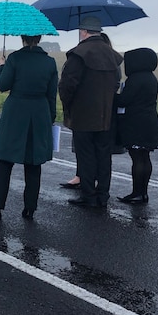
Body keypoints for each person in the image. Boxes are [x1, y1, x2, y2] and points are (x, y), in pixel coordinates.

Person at [0, 35, 58, 220]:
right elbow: (52, 94)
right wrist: (50, 118)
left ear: (22, 38)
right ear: (39, 38)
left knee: (4, 161)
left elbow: (3, 85)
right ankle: (30, 208)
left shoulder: (15, 58)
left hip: (15, 112)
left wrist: (1, 67)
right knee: (34, 163)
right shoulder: (49, 62)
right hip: (39, 112)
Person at [58, 16, 123, 208]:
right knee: (104, 155)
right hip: (106, 114)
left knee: (85, 155)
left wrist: (67, 105)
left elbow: (67, 85)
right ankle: (103, 194)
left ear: (84, 32)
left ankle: (88, 194)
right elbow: (116, 83)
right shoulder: (112, 55)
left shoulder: (78, 54)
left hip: (83, 113)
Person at [115, 47, 158, 203]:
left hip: (136, 122)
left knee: (137, 159)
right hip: (150, 121)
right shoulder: (151, 78)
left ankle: (136, 192)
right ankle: (143, 193)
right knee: (145, 157)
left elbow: (124, 100)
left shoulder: (135, 79)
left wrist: (112, 95)